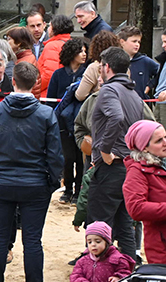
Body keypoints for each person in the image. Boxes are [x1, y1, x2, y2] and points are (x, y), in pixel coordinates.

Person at [0, 62, 63, 282]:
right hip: (35, 183)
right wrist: (51, 182)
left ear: (13, 81)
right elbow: (55, 155)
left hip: (2, 181)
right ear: (36, 84)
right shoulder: (45, 114)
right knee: (32, 240)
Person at [88, 47, 147, 259]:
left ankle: (100, 272)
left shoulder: (109, 90)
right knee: (124, 224)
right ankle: (128, 269)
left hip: (112, 167)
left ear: (107, 67)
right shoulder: (133, 94)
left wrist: (105, 149)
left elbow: (116, 117)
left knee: (99, 226)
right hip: (129, 166)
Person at [47, 37, 90, 204]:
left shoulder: (87, 73)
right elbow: (51, 100)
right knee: (67, 158)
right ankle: (67, 189)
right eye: (80, 51)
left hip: (81, 123)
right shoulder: (58, 75)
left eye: (85, 51)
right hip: (63, 123)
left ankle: (78, 190)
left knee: (80, 158)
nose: (84, 54)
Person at [123, 120, 166, 266]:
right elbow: (136, 208)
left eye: (165, 137)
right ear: (145, 148)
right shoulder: (137, 171)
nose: (165, 142)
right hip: (161, 246)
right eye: (159, 141)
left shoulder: (163, 162)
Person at [70, 221, 135, 282]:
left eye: (98, 241)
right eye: (89, 242)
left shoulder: (117, 259)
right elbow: (75, 276)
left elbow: (126, 273)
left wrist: (118, 277)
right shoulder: (83, 261)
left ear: (107, 242)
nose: (93, 245)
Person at [119, 24, 160, 101]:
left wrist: (149, 86)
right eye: (134, 41)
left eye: (139, 42)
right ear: (122, 42)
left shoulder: (145, 61)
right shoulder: (115, 60)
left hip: (141, 102)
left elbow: (161, 72)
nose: (137, 44)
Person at [35, 14, 73, 85]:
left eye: (50, 26)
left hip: (49, 90)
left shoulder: (52, 46)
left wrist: (35, 87)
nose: (48, 29)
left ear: (54, 28)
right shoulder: (72, 43)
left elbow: (49, 75)